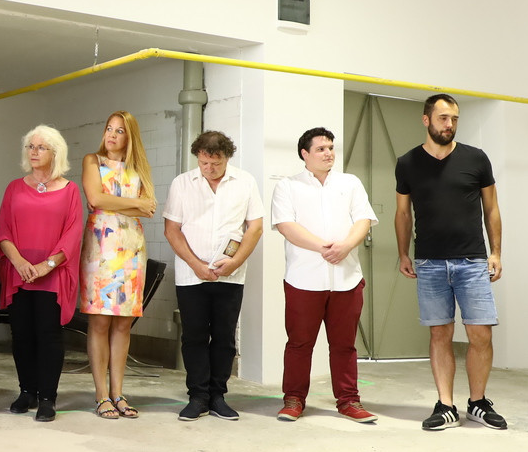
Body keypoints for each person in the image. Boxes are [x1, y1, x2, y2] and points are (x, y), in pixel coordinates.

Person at [395, 94, 507, 431]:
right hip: (430, 262)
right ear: (426, 120)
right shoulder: (407, 163)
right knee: (440, 334)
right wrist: (403, 253)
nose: (450, 124)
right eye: (443, 118)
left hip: (472, 261)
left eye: (455, 119)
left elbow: (492, 209)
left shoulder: (476, 158)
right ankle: (445, 405)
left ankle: (477, 402)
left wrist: (496, 252)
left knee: (480, 334)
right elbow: (403, 213)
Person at [271, 127, 377, 423]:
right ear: (304, 154)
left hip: (347, 278)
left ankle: (349, 400)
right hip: (303, 279)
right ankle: (293, 399)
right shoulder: (288, 186)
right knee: (299, 344)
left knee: (344, 345)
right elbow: (286, 226)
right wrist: (324, 248)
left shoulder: (350, 183)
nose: (328, 153)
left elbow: (363, 219)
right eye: (321, 149)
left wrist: (346, 246)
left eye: (331, 147)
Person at [163, 130, 263, 422]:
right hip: (191, 274)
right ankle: (197, 396)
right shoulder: (182, 183)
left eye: (215, 164)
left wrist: (235, 262)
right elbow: (172, 229)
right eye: (203, 163)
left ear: (227, 158)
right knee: (193, 336)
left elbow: (255, 227)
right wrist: (195, 264)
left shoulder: (245, 181)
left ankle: (218, 395)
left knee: (224, 337)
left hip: (230, 275)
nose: (208, 168)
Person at [0, 124, 83, 423]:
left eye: (41, 147)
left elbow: (73, 234)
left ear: (55, 153)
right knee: (21, 335)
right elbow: (3, 230)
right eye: (30, 147)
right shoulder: (14, 187)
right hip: (19, 272)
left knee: (48, 335)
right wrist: (20, 263)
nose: (34, 152)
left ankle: (47, 398)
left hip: (52, 275)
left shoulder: (70, 190)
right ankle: (27, 392)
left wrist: (48, 265)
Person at [78, 111, 156, 420]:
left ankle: (118, 393)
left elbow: (149, 208)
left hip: (132, 249)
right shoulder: (92, 161)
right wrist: (134, 203)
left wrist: (118, 203)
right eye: (108, 128)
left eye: (119, 131)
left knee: (123, 323)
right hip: (101, 249)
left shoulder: (139, 169)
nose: (111, 135)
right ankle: (101, 395)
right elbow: (96, 199)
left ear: (129, 136)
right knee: (100, 321)